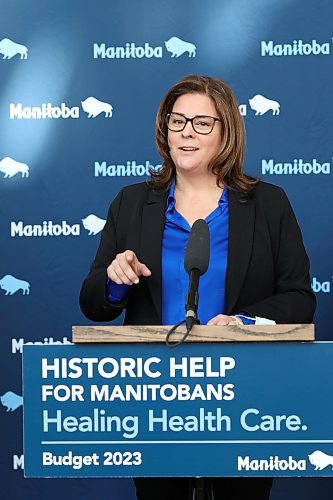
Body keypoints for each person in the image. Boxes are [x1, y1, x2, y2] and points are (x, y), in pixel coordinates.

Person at [79, 75, 316, 500]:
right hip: (154, 402)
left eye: (202, 123)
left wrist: (243, 323)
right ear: (164, 129)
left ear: (226, 132)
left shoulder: (269, 203)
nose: (186, 131)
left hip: (245, 399)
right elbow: (94, 305)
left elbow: (300, 298)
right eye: (177, 121)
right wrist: (115, 281)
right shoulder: (131, 203)